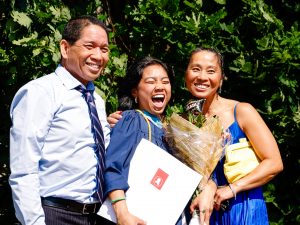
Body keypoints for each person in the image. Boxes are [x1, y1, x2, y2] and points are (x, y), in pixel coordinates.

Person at [9, 15, 112, 225]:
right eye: (89, 46)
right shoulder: (40, 92)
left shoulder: (97, 101)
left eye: (104, 49)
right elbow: (24, 169)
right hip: (55, 214)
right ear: (65, 48)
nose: (98, 55)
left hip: (95, 216)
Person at [186, 47, 283, 225]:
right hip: (206, 213)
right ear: (186, 75)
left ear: (221, 79)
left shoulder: (241, 111)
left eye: (211, 71)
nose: (202, 77)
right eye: (196, 69)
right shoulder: (187, 121)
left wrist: (232, 188)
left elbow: (274, 163)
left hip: (244, 208)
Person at [103, 56, 190, 225]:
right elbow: (112, 167)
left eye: (165, 82)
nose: (159, 87)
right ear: (135, 91)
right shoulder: (132, 120)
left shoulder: (173, 130)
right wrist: (122, 213)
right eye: (151, 81)